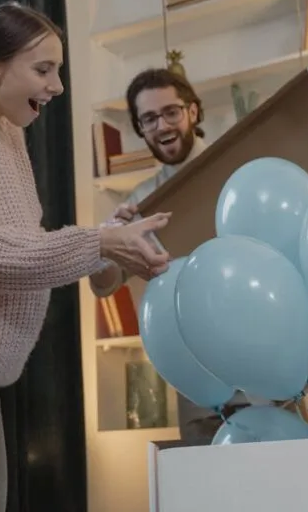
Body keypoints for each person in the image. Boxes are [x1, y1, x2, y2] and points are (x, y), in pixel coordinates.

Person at [0, 2, 171, 512]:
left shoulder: (9, 134)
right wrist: (95, 243)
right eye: (43, 69)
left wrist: (107, 241)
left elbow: (23, 244)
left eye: (58, 70)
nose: (58, 86)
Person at [89, 68, 249, 443]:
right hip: (196, 378)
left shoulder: (238, 170)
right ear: (140, 129)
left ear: (193, 112)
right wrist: (106, 239)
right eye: (149, 118)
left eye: (171, 112)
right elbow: (104, 284)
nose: (162, 125)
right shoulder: (141, 203)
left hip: (263, 362)